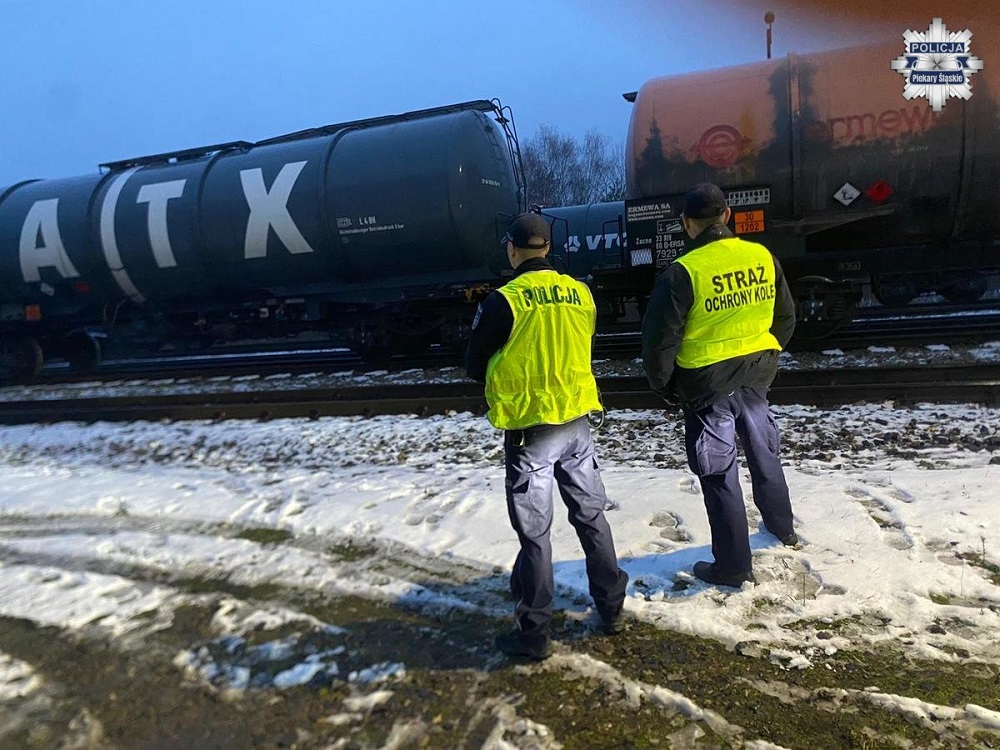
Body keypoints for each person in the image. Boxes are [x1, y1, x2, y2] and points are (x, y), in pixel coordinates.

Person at [466, 211, 630, 661]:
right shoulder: (582, 294)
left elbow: (473, 365)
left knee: (536, 534)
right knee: (591, 517)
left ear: (513, 250)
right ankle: (612, 609)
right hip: (577, 424)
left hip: (530, 432)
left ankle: (534, 633)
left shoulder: (505, 300)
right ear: (548, 249)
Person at [641, 183, 798, 588]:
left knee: (718, 471)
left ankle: (732, 566)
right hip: (756, 375)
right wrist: (766, 357)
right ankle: (783, 528)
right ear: (726, 216)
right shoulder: (761, 256)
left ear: (687, 224)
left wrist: (666, 387)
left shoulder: (683, 272)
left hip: (707, 385)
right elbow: (785, 318)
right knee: (765, 451)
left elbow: (660, 343)